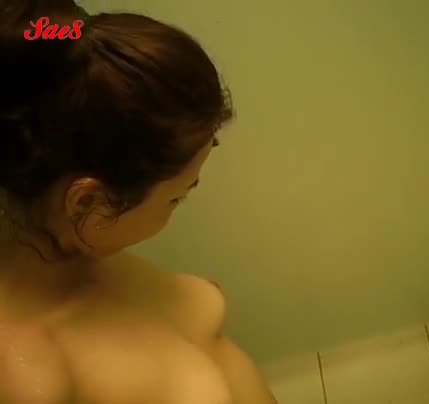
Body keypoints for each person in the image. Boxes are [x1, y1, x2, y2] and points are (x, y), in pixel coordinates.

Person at [0, 1, 277, 403]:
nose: (180, 205)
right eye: (177, 196)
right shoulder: (28, 378)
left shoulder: (73, 252)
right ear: (86, 203)